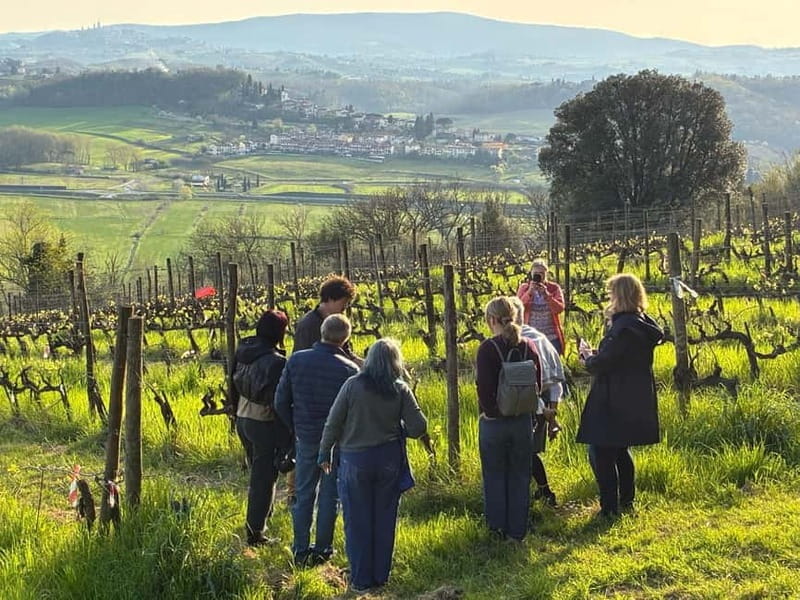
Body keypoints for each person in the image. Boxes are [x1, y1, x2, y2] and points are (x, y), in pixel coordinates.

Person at [318, 339, 428, 592]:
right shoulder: (399, 388)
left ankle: (360, 579)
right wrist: (399, 427)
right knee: (384, 518)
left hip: (355, 460)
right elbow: (419, 427)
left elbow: (333, 423)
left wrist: (323, 452)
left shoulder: (352, 386)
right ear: (395, 362)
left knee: (357, 520)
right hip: (388, 459)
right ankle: (381, 576)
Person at [274, 314, 359, 566]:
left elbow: (280, 401)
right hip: (335, 442)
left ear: (322, 331)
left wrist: (295, 426)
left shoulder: (296, 361)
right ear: (345, 339)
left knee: (303, 493)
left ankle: (300, 549)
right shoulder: (349, 370)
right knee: (329, 495)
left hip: (306, 437)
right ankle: (323, 549)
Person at [576, 273, 664, 518]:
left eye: (612, 293)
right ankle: (626, 501)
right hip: (634, 396)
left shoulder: (623, 328)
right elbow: (620, 357)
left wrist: (587, 357)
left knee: (600, 451)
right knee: (620, 449)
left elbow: (603, 363)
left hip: (613, 397)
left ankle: (609, 508)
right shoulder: (641, 323)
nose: (609, 298)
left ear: (620, 296)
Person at [287, 275, 358, 506]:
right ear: (329, 299)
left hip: (333, 397)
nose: (345, 308)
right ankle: (294, 495)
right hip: (312, 399)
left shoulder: (338, 322)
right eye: (343, 303)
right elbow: (298, 362)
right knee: (306, 451)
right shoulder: (309, 325)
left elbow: (345, 354)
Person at [476, 297, 542, 541]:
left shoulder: (488, 349)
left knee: (494, 476)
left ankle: (497, 531)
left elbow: (484, 388)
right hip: (523, 420)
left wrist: (491, 412)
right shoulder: (530, 346)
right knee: (520, 476)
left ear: (491, 320)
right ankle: (517, 531)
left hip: (494, 423)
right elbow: (539, 384)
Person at [233, 309, 292, 546]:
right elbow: (278, 401)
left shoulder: (243, 350)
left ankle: (261, 520)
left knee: (260, 474)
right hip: (263, 421)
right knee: (264, 478)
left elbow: (232, 382)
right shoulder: (276, 362)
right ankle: (255, 533)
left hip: (242, 416)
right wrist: (287, 434)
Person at [509, 295, 564, 507]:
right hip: (543, 403)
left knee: (524, 451)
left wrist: (547, 412)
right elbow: (556, 381)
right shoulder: (541, 339)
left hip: (528, 403)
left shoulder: (523, 343)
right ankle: (541, 491)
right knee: (529, 451)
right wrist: (552, 411)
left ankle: (539, 493)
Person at [516, 259, 566, 355]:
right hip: (530, 335)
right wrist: (529, 293)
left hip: (551, 336)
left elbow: (559, 308)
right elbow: (517, 307)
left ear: (546, 274)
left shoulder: (554, 288)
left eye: (542, 273)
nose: (539, 276)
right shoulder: (524, 288)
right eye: (536, 273)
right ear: (531, 274)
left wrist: (547, 295)